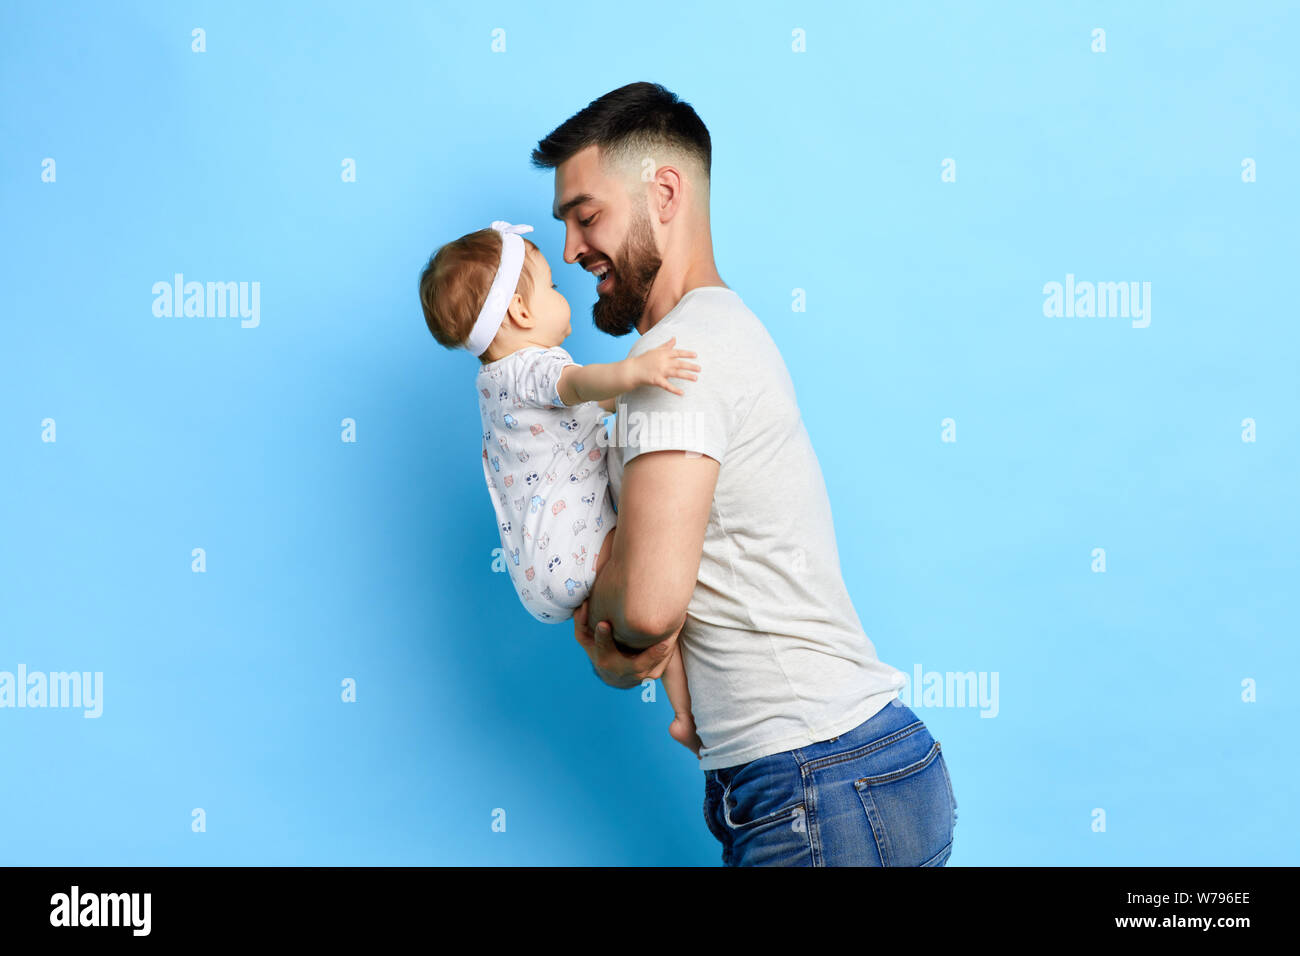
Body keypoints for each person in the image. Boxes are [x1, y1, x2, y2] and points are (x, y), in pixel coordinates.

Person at [532, 81, 958, 866]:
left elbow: (651, 610)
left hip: (814, 780)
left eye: (585, 215)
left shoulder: (677, 362)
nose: (570, 250)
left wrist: (601, 639)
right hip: (868, 768)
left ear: (663, 192)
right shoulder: (727, 330)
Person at [418, 219, 704, 754]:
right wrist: (636, 371)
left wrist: (624, 398)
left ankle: (684, 717)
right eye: (550, 286)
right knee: (662, 556)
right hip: (575, 551)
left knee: (647, 622)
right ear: (521, 312)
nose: (559, 293)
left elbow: (581, 412)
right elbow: (576, 385)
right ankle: (686, 711)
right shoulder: (535, 366)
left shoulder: (492, 385)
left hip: (541, 570)